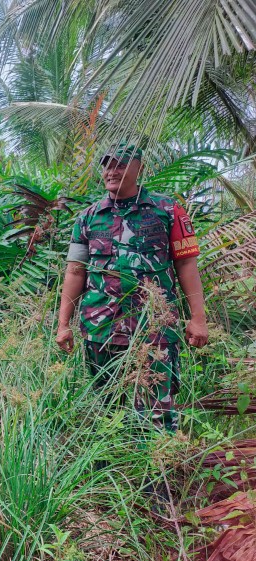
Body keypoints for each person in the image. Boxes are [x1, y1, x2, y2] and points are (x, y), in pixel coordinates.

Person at [55, 143, 209, 432]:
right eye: (107, 165)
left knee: (158, 414)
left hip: (155, 330)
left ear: (139, 168)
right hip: (101, 330)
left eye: (120, 164)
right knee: (107, 412)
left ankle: (158, 475)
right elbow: (75, 271)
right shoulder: (88, 217)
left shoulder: (167, 211)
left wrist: (197, 318)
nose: (111, 171)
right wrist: (64, 323)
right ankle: (114, 472)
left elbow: (186, 265)